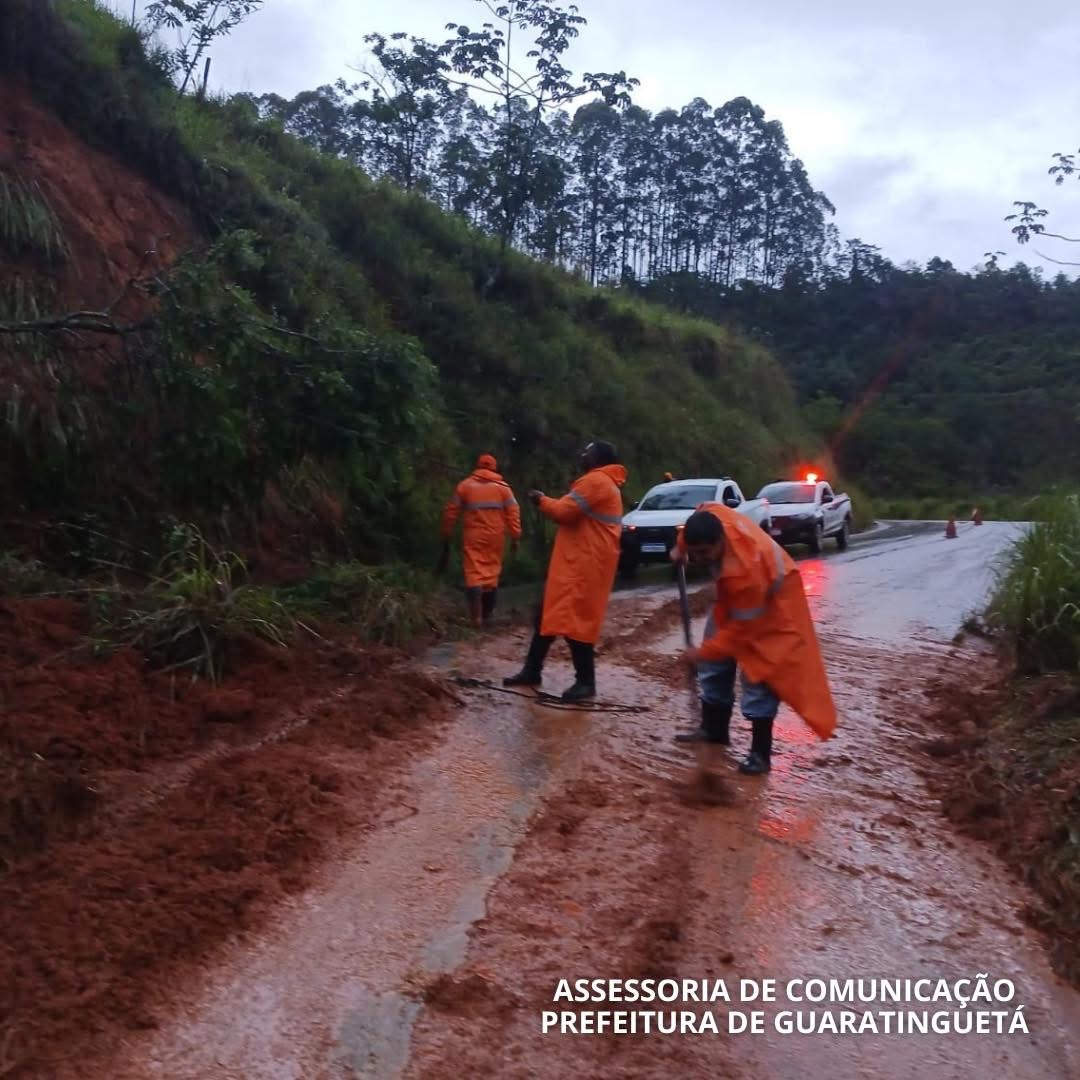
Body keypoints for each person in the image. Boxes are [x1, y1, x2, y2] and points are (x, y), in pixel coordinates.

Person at [671, 503, 837, 774]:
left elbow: (740, 634)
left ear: (720, 540)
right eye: (695, 553)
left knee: (758, 674)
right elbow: (700, 514)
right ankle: (714, 731)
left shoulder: (747, 573)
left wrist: (701, 653)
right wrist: (680, 548)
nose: (700, 559)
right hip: (735, 603)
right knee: (713, 664)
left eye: (704, 553)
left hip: (774, 604)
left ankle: (760, 754)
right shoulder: (714, 519)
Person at [504, 441, 627, 701]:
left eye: (587, 451)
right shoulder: (603, 483)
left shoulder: (596, 482)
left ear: (599, 459)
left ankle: (585, 682)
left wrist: (540, 499)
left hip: (583, 565)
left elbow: (563, 512)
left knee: (576, 623)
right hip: (578, 563)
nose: (581, 454)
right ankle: (532, 670)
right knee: (546, 615)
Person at [441, 454, 522, 628]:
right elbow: (513, 513)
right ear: (494, 468)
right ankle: (487, 616)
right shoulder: (504, 488)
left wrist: (446, 534)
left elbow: (450, 512)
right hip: (496, 537)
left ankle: (476, 618)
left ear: (477, 466)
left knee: (473, 573)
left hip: (473, 536)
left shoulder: (465, 486)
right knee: (491, 572)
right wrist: (516, 536)